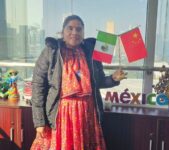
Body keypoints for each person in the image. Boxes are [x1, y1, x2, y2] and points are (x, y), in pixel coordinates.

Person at [31, 14, 127, 150]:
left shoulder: (90, 51)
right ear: (63, 31)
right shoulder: (51, 51)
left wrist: (113, 79)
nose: (74, 32)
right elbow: (38, 86)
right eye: (70, 28)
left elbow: (98, 81)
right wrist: (39, 121)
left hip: (88, 114)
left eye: (79, 29)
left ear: (83, 33)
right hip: (61, 114)